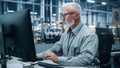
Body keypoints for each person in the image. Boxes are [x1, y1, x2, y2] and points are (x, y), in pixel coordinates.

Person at [37, 2, 98, 66]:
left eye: (65, 15)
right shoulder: (65, 35)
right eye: (62, 15)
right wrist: (37, 56)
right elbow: (54, 50)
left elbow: (85, 60)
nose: (62, 19)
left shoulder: (89, 35)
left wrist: (58, 59)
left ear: (76, 15)